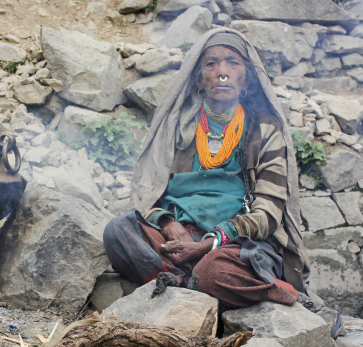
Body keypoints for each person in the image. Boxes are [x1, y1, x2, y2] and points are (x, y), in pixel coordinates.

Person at [103, 28, 342, 337]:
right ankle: (183, 280)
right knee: (118, 230)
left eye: (233, 63)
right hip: (179, 239)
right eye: (211, 64)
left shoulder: (265, 132)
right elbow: (150, 192)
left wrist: (211, 242)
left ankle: (288, 295)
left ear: (247, 78)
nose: (223, 72)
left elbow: (268, 214)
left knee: (214, 269)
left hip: (237, 244)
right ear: (199, 78)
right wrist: (166, 223)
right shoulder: (179, 127)